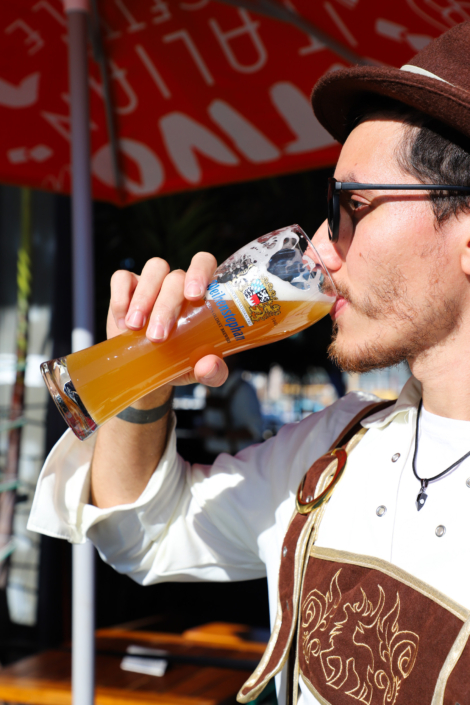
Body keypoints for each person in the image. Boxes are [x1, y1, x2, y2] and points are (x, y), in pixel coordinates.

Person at [28, 22, 470, 705]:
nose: (322, 244)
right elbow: (147, 534)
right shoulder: (339, 447)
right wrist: (148, 382)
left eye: (351, 205)